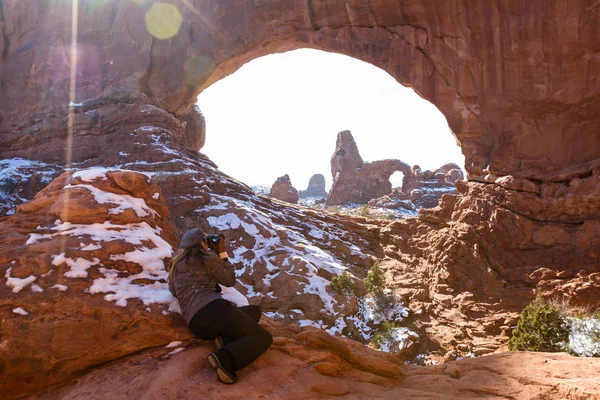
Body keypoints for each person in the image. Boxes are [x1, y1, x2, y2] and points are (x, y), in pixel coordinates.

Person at [168, 228, 272, 384]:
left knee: (253, 311)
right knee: (263, 337)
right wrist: (222, 253)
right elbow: (229, 280)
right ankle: (224, 358)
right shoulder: (205, 259)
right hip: (214, 310)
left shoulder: (177, 265)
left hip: (197, 324)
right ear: (202, 243)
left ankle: (225, 339)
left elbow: (174, 291)